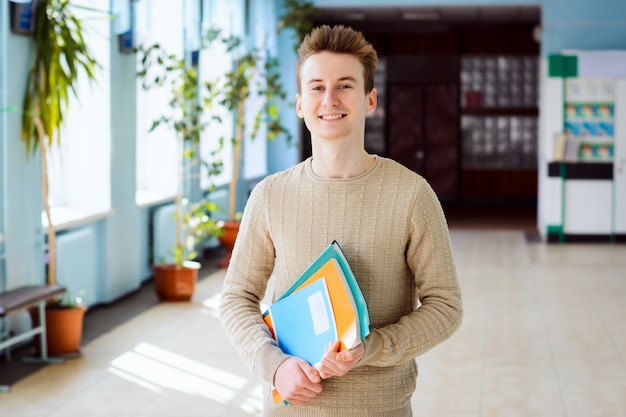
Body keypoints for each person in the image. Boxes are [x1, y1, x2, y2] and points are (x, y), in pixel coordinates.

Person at [219, 24, 462, 417]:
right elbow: (236, 298)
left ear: (370, 99)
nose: (329, 99)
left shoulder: (412, 195)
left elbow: (446, 306)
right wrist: (274, 365)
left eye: (344, 85)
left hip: (381, 408)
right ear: (300, 104)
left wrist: (373, 347)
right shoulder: (270, 195)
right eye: (316, 87)